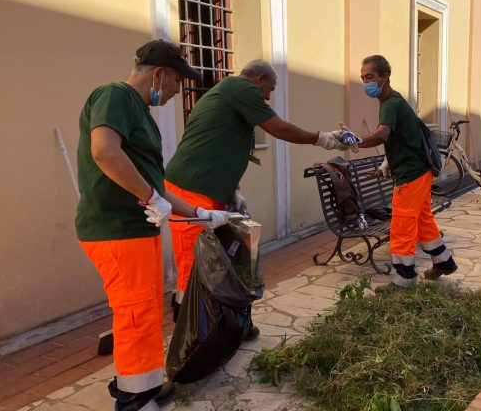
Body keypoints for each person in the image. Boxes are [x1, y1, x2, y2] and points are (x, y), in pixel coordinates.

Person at [75, 40, 230, 411]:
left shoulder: (141, 112)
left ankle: (142, 383)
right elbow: (104, 151)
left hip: (134, 229)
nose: (178, 90)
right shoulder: (116, 95)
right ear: (159, 73)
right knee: (134, 312)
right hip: (116, 228)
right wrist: (150, 198)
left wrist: (199, 213)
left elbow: (156, 187)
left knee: (143, 310)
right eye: (177, 80)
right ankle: (132, 399)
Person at [164, 59, 349, 331]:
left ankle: (226, 325)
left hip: (211, 190)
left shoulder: (233, 95)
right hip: (192, 190)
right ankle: (191, 332)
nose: (269, 95)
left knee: (225, 257)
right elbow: (280, 129)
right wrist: (322, 138)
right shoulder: (240, 87)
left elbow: (224, 147)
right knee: (195, 264)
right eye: (270, 88)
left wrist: (234, 191)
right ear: (259, 78)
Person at [355, 55, 457, 291]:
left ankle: (404, 278)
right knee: (423, 220)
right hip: (418, 171)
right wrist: (386, 165)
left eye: (369, 76)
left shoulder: (390, 103)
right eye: (362, 78)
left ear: (384, 76)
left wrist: (353, 142)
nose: (365, 82)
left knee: (402, 225)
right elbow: (401, 140)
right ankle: (444, 262)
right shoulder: (393, 101)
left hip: (411, 176)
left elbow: (382, 135)